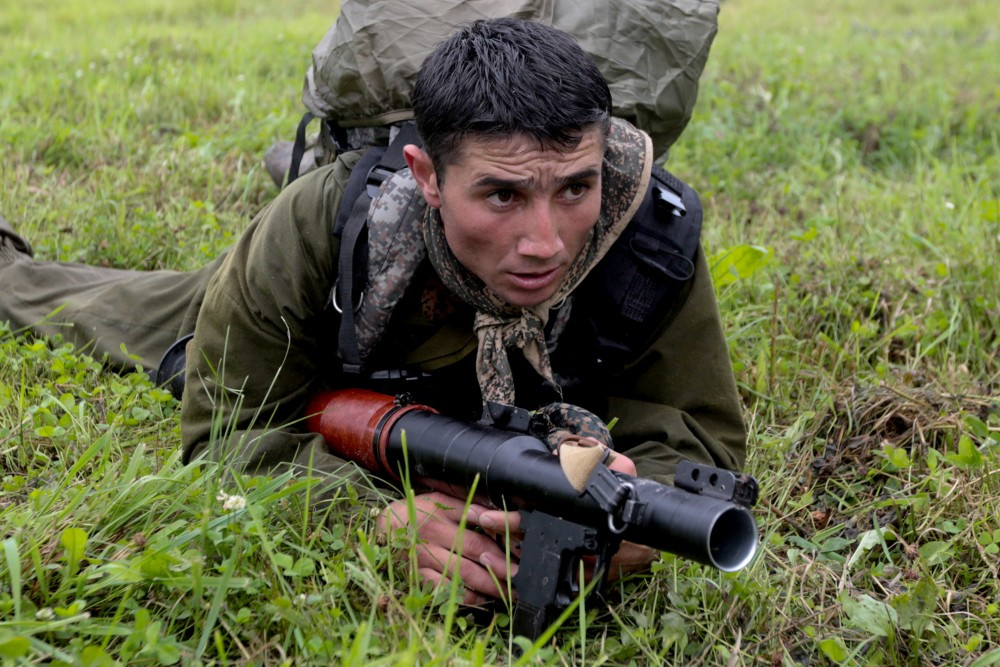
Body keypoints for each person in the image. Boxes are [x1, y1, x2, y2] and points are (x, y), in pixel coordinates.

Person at [0, 18, 746, 605]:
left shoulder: (645, 236)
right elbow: (223, 433)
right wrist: (366, 517)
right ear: (427, 175)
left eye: (575, 188)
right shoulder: (321, 223)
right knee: (111, 312)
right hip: (334, 338)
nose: (545, 242)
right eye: (502, 195)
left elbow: (697, 436)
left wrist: (630, 525)